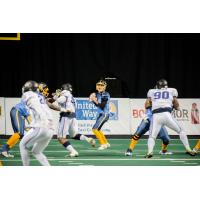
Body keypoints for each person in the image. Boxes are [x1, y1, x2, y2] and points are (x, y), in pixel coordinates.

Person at [145, 78, 195, 158]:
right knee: (181, 131)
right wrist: (176, 107)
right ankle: (188, 149)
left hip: (156, 116)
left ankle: (149, 152)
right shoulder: (172, 90)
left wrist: (155, 103)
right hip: (167, 114)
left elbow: (147, 105)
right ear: (166, 86)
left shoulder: (152, 91)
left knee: (152, 136)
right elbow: (175, 102)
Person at [49, 83, 96, 157]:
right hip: (73, 117)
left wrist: (56, 96)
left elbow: (60, 101)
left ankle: (73, 152)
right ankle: (87, 139)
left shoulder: (65, 94)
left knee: (60, 138)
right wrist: (56, 96)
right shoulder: (72, 96)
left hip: (66, 116)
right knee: (74, 135)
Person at [19, 80, 54, 166]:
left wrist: (43, 121)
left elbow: (37, 108)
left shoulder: (28, 94)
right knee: (36, 152)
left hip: (42, 125)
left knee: (23, 145)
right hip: (50, 129)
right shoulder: (40, 96)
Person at [89, 79, 110, 150]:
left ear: (104, 86)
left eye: (101, 85)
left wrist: (94, 100)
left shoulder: (105, 94)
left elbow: (102, 106)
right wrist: (93, 101)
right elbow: (98, 105)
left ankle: (103, 144)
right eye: (98, 85)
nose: (99, 86)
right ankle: (106, 143)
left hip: (104, 114)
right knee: (98, 129)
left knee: (95, 129)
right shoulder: (98, 94)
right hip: (101, 114)